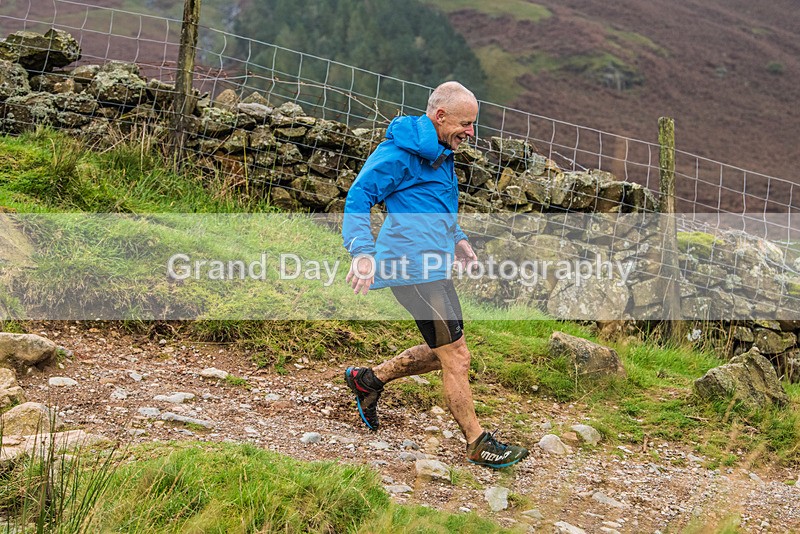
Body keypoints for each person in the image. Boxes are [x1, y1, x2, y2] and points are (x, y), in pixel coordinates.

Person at [341, 81, 529, 469]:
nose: (471, 132)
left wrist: (457, 238)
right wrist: (361, 252)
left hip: (434, 266)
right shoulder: (399, 154)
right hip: (411, 270)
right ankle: (478, 442)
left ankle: (369, 380)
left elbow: (434, 203)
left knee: (443, 350)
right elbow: (358, 197)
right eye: (465, 123)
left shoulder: (443, 151)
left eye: (473, 124)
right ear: (439, 116)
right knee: (457, 355)